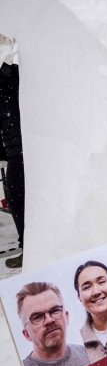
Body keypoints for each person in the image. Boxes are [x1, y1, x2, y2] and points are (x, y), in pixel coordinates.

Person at [16, 281, 91, 366]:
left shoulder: (88, 355)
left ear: (66, 317)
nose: (49, 320)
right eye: (37, 317)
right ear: (27, 334)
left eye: (55, 310)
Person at [0, 59, 24, 269]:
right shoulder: (14, 76)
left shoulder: (11, 77)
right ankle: (27, 247)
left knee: (18, 201)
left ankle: (27, 248)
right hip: (16, 148)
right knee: (17, 200)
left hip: (19, 149)